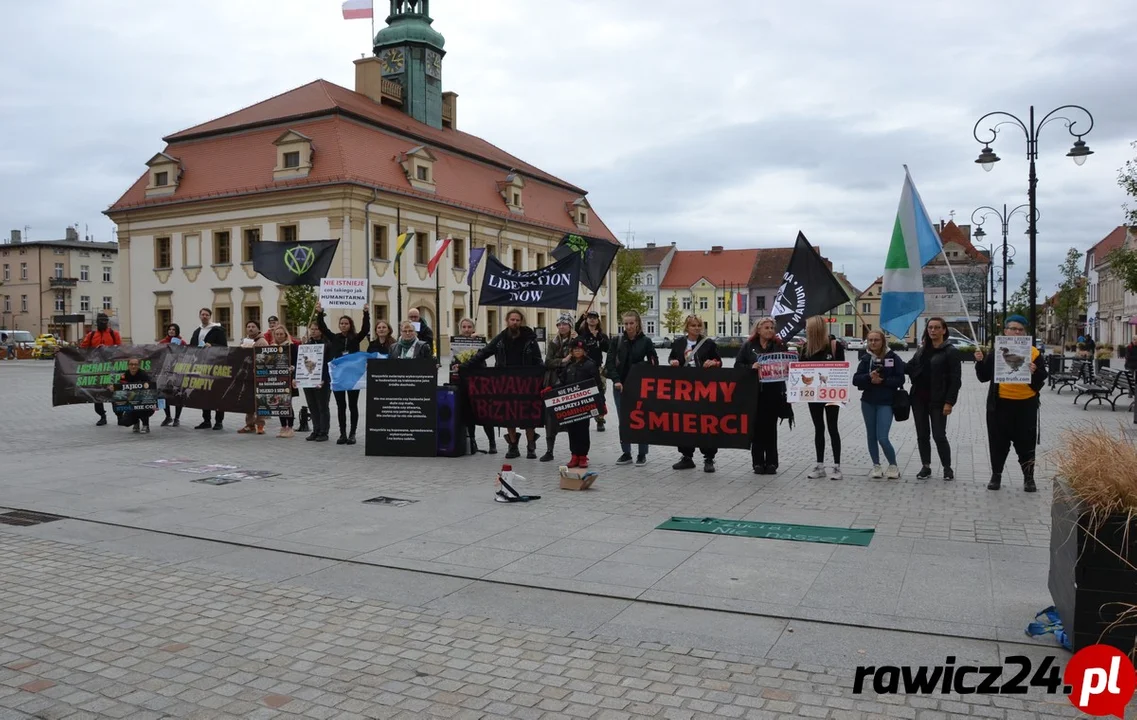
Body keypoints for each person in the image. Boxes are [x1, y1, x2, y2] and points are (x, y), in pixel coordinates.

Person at [975, 315, 1047, 492]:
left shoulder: (1034, 353)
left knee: (1026, 444)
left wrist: (1035, 372)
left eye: (1020, 329)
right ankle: (996, 475)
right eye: (1013, 329)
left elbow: (1042, 378)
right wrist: (979, 361)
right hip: (1000, 405)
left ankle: (1029, 478)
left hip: (1025, 405)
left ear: (1025, 333)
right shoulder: (997, 352)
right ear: (1005, 331)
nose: (1016, 332)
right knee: (998, 442)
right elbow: (983, 377)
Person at [463, 309, 543, 460]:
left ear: (521, 321)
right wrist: (465, 366)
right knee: (509, 414)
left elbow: (538, 361)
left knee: (529, 416)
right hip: (506, 383)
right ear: (507, 320)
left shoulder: (530, 339)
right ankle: (513, 446)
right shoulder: (500, 338)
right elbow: (484, 353)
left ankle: (531, 446)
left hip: (526, 382)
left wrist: (541, 378)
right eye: (512, 319)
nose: (515, 322)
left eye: (517, 320)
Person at [906, 317, 962, 480]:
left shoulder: (950, 351)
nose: (933, 330)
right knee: (922, 434)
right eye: (930, 327)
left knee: (939, 435)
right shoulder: (922, 350)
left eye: (937, 327)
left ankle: (947, 468)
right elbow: (910, 367)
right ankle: (926, 466)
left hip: (938, 401)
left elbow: (956, 380)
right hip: (918, 399)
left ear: (944, 330)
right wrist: (890, 360)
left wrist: (949, 402)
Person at [669, 315, 722, 473]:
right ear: (687, 327)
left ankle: (709, 457)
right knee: (685, 422)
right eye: (693, 325)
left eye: (699, 325)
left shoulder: (708, 343)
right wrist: (673, 362)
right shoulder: (679, 343)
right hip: (684, 389)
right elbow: (672, 357)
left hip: (704, 389)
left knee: (706, 423)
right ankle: (686, 456)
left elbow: (719, 362)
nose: (696, 328)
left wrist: (713, 363)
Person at [737, 317, 790, 474]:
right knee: (757, 428)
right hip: (755, 391)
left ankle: (772, 462)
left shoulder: (779, 345)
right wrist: (751, 367)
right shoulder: (749, 346)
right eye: (766, 328)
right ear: (758, 330)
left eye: (772, 328)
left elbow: (789, 364)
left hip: (773, 391)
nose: (770, 330)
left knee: (771, 428)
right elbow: (738, 364)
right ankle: (758, 462)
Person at [606, 310, 658, 466]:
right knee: (624, 420)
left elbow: (653, 361)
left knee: (641, 419)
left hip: (640, 386)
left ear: (637, 323)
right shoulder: (617, 341)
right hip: (621, 386)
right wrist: (616, 380)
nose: (628, 326)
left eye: (631, 323)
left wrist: (642, 366)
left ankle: (642, 454)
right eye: (626, 323)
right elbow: (609, 363)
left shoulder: (646, 341)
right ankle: (626, 452)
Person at [852, 330, 905, 479]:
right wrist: (869, 377)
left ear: (883, 341)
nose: (873, 343)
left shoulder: (893, 357)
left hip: (886, 402)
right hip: (868, 402)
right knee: (871, 436)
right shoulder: (866, 358)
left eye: (876, 340)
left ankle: (893, 465)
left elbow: (900, 379)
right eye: (870, 340)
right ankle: (876, 465)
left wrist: (883, 381)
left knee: (882, 437)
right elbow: (856, 379)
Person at [316, 301, 370, 446]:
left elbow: (366, 329)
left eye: (346, 323)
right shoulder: (335, 338)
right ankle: (342, 433)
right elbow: (322, 327)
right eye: (342, 323)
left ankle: (352, 434)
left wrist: (366, 313)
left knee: (353, 405)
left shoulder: (355, 338)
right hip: (338, 376)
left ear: (350, 325)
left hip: (353, 376)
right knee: (341, 406)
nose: (343, 325)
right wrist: (320, 313)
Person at [801, 316, 846, 480]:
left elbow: (841, 370)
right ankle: (820, 465)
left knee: (833, 428)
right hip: (813, 395)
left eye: (808, 328)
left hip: (831, 394)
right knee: (818, 428)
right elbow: (801, 372)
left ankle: (837, 466)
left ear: (815, 329)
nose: (806, 330)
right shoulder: (806, 348)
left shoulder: (835, 346)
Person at [451, 318, 497, 454]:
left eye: (469, 327)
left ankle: (492, 442)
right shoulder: (456, 343)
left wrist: (482, 341)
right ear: (460, 329)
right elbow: (453, 360)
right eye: (464, 327)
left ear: (473, 328)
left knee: (485, 411)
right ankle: (472, 441)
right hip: (463, 380)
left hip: (480, 379)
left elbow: (489, 351)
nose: (466, 329)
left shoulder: (478, 340)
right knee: (468, 411)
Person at [559, 338, 600, 468]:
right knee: (572, 430)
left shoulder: (590, 365)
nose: (577, 351)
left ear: (584, 351)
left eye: (580, 349)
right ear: (571, 351)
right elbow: (562, 382)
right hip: (571, 405)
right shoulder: (568, 365)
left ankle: (583, 456)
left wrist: (601, 403)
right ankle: (574, 455)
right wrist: (552, 390)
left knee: (583, 429)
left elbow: (597, 384)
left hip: (585, 405)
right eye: (575, 349)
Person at [540, 313, 575, 462]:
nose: (562, 327)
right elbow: (547, 362)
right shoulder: (553, 342)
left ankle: (576, 452)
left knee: (573, 417)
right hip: (554, 383)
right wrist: (562, 360)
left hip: (571, 382)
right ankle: (549, 450)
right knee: (550, 419)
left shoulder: (576, 341)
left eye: (565, 324)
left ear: (570, 326)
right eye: (559, 324)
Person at [79, 313, 122, 426]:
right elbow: (83, 350)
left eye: (104, 321)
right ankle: (102, 415)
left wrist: (108, 350)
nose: (102, 323)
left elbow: (120, 350)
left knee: (115, 391)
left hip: (111, 367)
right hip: (96, 368)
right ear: (96, 322)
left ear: (107, 322)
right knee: (97, 392)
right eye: (100, 321)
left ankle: (119, 415)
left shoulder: (114, 334)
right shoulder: (91, 335)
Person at [189, 308, 227, 430]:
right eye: (202, 314)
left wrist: (212, 346)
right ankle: (206, 420)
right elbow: (192, 347)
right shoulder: (197, 331)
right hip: (201, 366)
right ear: (199, 316)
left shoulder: (218, 330)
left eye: (206, 315)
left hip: (216, 365)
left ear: (210, 316)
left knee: (217, 394)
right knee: (203, 394)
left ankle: (219, 421)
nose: (204, 316)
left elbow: (224, 346)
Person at [574, 310, 610, 432]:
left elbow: (608, 348)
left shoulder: (601, 335)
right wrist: (580, 318)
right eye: (590, 317)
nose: (592, 319)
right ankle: (583, 417)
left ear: (598, 320)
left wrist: (598, 338)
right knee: (584, 393)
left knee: (600, 394)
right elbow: (575, 329)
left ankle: (600, 419)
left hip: (597, 368)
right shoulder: (583, 334)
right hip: (584, 368)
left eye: (594, 317)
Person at [237, 321, 269, 435]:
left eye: (253, 327)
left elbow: (266, 359)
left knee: (260, 400)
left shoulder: (262, 342)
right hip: (247, 375)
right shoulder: (245, 341)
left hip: (259, 375)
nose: (250, 329)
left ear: (258, 329)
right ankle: (249, 424)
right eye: (248, 326)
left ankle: (260, 425)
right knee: (248, 400)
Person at [302, 321, 332, 442]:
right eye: (311, 329)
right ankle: (316, 430)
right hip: (308, 379)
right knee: (312, 405)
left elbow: (328, 364)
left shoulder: (327, 344)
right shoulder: (307, 344)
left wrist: (324, 379)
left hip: (322, 380)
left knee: (322, 406)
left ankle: (324, 431)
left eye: (316, 329)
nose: (313, 331)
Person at [110, 357, 154, 434]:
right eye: (131, 364)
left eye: (135, 364)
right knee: (124, 422)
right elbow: (119, 386)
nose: (133, 366)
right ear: (128, 366)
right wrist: (113, 387)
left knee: (141, 407)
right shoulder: (125, 375)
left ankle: (146, 425)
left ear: (138, 366)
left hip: (144, 403)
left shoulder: (143, 375)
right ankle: (136, 422)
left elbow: (150, 389)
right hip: (131, 403)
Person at [271, 324, 299, 437]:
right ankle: (283, 427)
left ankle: (290, 427)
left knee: (287, 403)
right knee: (279, 403)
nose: (279, 336)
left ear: (285, 334)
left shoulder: (291, 346)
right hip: (276, 379)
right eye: (277, 334)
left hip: (289, 378)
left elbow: (297, 361)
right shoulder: (271, 347)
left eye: (281, 334)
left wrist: (293, 368)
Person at [158, 323, 185, 426]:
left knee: (178, 394)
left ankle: (177, 418)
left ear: (177, 331)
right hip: (165, 372)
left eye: (174, 329)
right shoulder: (162, 342)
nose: (171, 331)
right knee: (164, 394)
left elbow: (187, 353)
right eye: (170, 329)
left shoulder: (182, 342)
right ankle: (168, 416)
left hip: (178, 372)